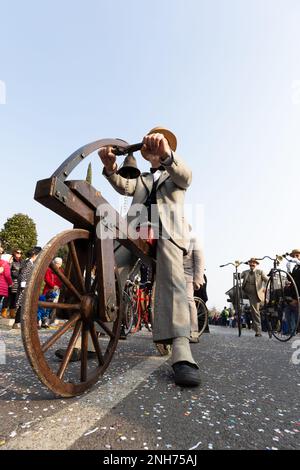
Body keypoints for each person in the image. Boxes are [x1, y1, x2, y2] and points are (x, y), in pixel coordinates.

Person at [98, 127, 201, 387]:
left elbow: (186, 177)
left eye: (160, 144)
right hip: (136, 230)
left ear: (167, 148)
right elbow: (124, 185)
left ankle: (181, 350)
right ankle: (91, 339)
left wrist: (167, 154)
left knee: (173, 281)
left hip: (167, 232)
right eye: (152, 145)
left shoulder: (176, 171)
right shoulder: (142, 178)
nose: (155, 148)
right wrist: (110, 168)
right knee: (111, 271)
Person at [183, 228, 205, 343]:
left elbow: (199, 259)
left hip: (187, 274)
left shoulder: (194, 239)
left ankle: (194, 332)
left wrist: (197, 279)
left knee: (188, 301)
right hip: (172, 273)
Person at [13, 246, 42, 329]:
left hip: (28, 287)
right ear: (35, 255)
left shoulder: (31, 263)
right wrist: (24, 286)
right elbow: (23, 274)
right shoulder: (28, 263)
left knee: (27, 304)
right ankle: (17, 322)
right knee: (22, 304)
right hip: (24, 287)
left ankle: (30, 323)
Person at [241, 257, 268, 337]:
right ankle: (237, 308)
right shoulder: (245, 272)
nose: (252, 264)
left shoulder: (260, 272)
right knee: (233, 293)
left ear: (256, 264)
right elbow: (238, 277)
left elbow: (267, 280)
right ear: (248, 264)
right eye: (250, 263)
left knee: (255, 312)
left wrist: (265, 287)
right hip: (245, 292)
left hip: (255, 294)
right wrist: (236, 271)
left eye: (253, 263)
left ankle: (258, 331)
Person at [8, 249, 24, 319]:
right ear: (14, 253)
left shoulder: (22, 262)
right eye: (17, 252)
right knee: (8, 297)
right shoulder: (11, 261)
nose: (19, 254)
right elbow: (8, 271)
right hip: (11, 281)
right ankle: (4, 311)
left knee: (15, 298)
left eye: (20, 253)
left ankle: (12, 313)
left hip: (19, 282)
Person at [0, 251, 13, 318]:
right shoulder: (6, 265)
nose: (12, 260)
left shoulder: (0, 262)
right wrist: (11, 283)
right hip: (2, 286)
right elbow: (7, 275)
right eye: (11, 258)